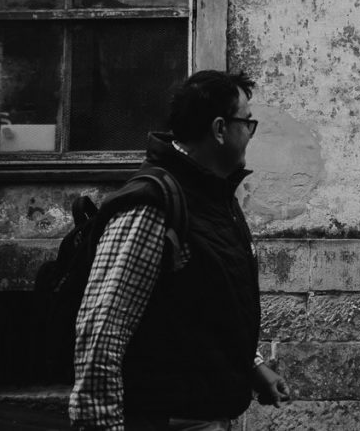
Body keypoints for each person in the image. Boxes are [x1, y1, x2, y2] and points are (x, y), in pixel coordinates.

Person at [69, 70, 288, 431]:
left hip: (206, 413)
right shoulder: (152, 204)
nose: (251, 133)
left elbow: (208, 304)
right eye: (247, 123)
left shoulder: (214, 197)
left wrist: (253, 366)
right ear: (220, 129)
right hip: (169, 419)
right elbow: (102, 328)